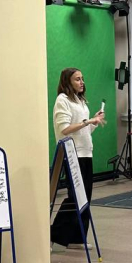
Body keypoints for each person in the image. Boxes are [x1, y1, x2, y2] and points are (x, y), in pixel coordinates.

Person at [50, 67, 105, 248]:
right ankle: (52, 234)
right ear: (67, 81)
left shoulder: (80, 101)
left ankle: (77, 238)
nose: (82, 82)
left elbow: (83, 130)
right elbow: (65, 129)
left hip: (86, 153)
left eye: (82, 78)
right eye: (77, 79)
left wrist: (93, 121)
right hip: (72, 154)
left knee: (85, 198)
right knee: (75, 198)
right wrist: (88, 121)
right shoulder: (63, 100)